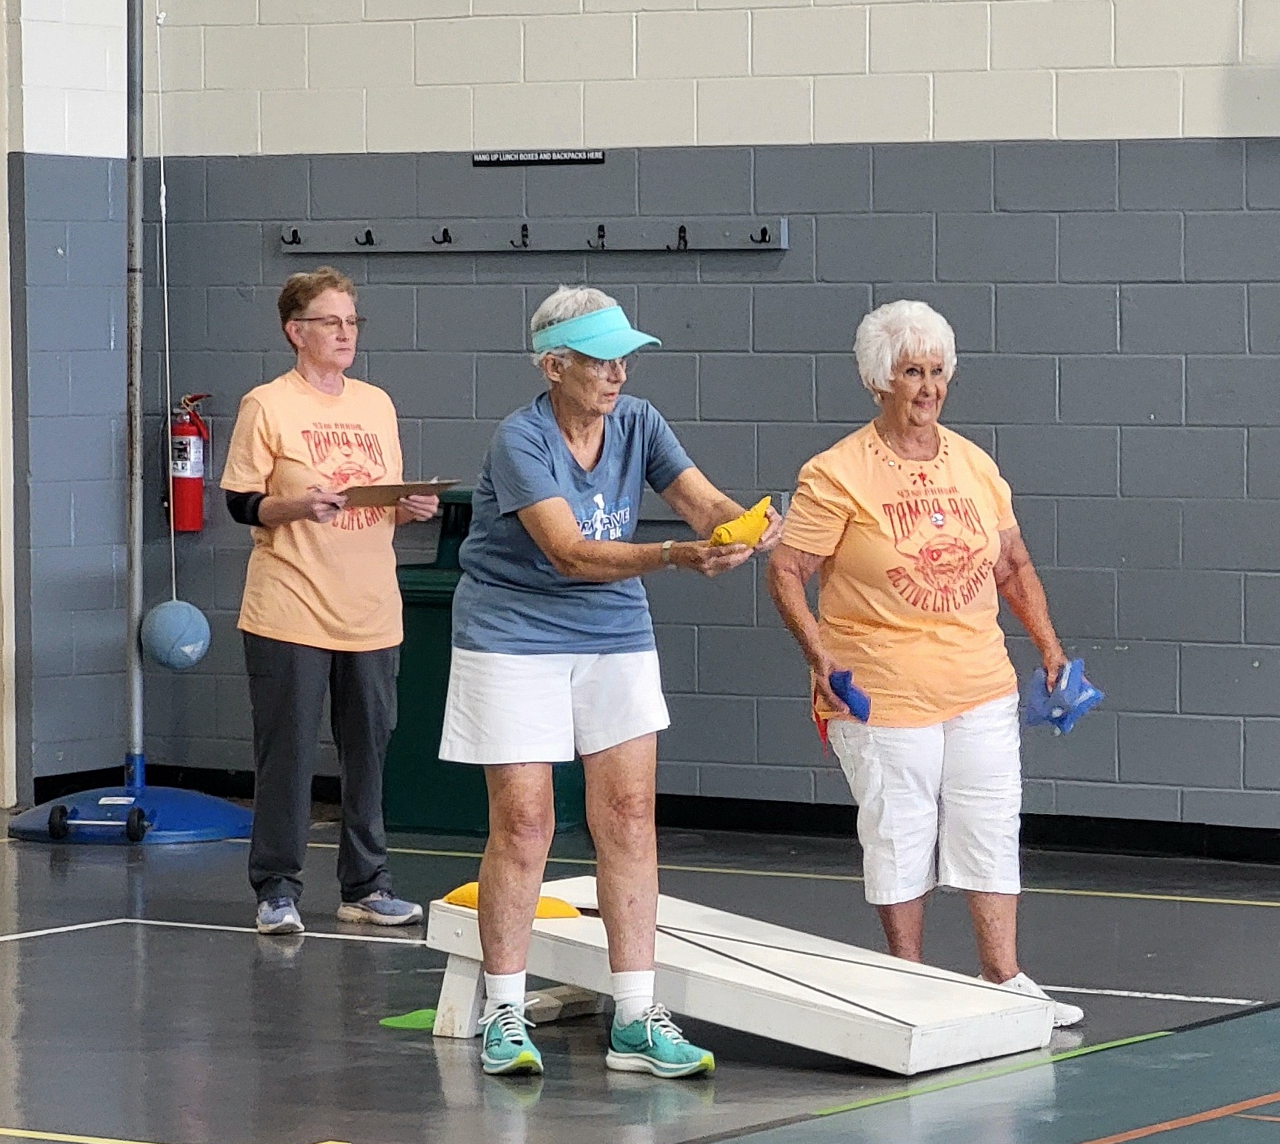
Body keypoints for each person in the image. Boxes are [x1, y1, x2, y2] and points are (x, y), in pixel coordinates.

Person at [442, 286, 779, 1079]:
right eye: (600, 360)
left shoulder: (640, 422)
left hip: (614, 632)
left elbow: (701, 502)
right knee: (525, 822)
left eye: (624, 357)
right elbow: (568, 553)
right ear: (553, 366)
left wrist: (741, 530)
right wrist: (674, 556)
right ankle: (503, 1011)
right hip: (512, 633)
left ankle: (635, 1017)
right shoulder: (519, 440)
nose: (618, 373)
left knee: (628, 816)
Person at [767, 300, 1084, 1030]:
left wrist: (1049, 646)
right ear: (880, 380)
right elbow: (787, 570)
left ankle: (1003, 977)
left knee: (989, 826)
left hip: (980, 683)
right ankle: (907, 983)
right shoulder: (836, 474)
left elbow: (1013, 564)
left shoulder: (974, 464)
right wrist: (817, 653)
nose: (929, 387)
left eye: (938, 371)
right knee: (900, 832)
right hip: (879, 690)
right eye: (912, 372)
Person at [221, 266, 439, 935]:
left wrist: (409, 507)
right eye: (331, 322)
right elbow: (241, 502)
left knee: (369, 753)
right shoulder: (268, 405)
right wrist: (295, 506)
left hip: (370, 608)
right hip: (290, 605)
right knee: (286, 755)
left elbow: (380, 497)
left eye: (352, 321)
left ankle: (367, 885)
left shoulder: (376, 404)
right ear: (296, 331)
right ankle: (277, 888)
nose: (345, 333)